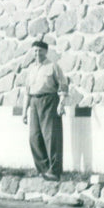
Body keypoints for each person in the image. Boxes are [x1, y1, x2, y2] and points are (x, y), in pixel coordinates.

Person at [22, 39, 69, 181]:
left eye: (40, 51)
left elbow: (63, 85)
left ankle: (55, 171)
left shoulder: (53, 66)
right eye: (35, 51)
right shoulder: (31, 70)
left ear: (46, 52)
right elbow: (27, 92)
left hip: (49, 100)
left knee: (51, 137)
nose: (37, 53)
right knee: (34, 138)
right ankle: (43, 170)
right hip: (34, 102)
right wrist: (24, 112)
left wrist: (61, 103)